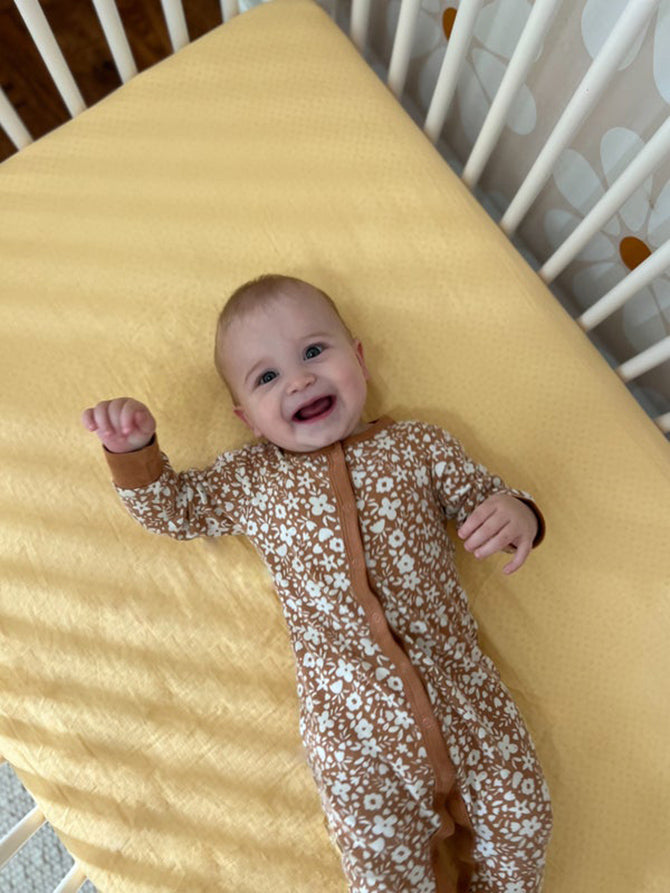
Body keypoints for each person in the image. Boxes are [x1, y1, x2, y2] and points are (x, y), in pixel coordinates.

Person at [82, 274, 552, 893]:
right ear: (246, 418)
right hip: (351, 732)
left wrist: (518, 514)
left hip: (464, 695)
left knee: (524, 818)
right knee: (381, 873)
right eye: (267, 377)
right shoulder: (252, 479)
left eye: (313, 352)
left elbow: (483, 497)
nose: (299, 379)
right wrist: (134, 451)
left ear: (357, 359)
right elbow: (177, 510)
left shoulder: (417, 446)